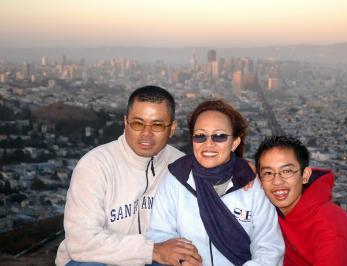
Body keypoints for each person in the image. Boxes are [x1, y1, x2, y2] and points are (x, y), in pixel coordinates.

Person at [55, 86, 202, 266]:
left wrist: (243, 170)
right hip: (96, 261)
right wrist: (153, 251)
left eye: (157, 125)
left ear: (171, 128)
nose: (146, 134)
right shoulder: (95, 165)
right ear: (126, 123)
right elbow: (82, 242)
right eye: (138, 123)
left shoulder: (181, 166)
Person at [147, 99, 285, 266]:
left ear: (234, 142)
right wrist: (180, 259)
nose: (208, 143)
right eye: (200, 136)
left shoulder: (251, 183)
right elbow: (160, 234)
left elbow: (269, 247)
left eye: (219, 136)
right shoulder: (176, 178)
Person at [255, 135, 347, 266]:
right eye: (268, 173)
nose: (277, 181)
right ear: (260, 180)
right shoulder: (270, 210)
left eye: (286, 171)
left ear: (305, 175)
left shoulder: (331, 229)